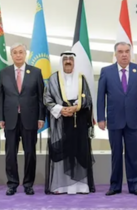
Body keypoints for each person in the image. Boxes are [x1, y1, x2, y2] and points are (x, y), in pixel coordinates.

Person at [97, 42, 137, 196]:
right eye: (120, 52)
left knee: (133, 154)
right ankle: (115, 185)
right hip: (114, 120)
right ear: (115, 54)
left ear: (130, 53)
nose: (124, 54)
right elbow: (101, 97)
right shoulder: (106, 72)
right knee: (116, 154)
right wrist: (101, 118)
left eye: (127, 51)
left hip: (134, 119)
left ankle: (134, 185)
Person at [43, 51, 96, 195]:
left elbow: (88, 99)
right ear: (61, 61)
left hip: (78, 120)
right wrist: (61, 109)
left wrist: (75, 107)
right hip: (60, 121)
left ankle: (80, 186)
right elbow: (47, 99)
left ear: (74, 61)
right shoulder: (53, 79)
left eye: (70, 59)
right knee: (62, 151)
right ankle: (61, 185)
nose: (67, 61)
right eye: (65, 59)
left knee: (78, 150)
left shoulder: (81, 78)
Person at [0, 43, 45, 196]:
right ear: (11, 55)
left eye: (21, 52)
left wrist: (41, 117)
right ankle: (12, 184)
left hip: (30, 118)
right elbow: (0, 97)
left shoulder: (36, 72)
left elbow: (40, 97)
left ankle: (28, 184)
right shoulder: (4, 72)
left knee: (30, 152)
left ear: (26, 54)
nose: (18, 55)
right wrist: (0, 118)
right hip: (10, 118)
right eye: (15, 52)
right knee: (10, 153)